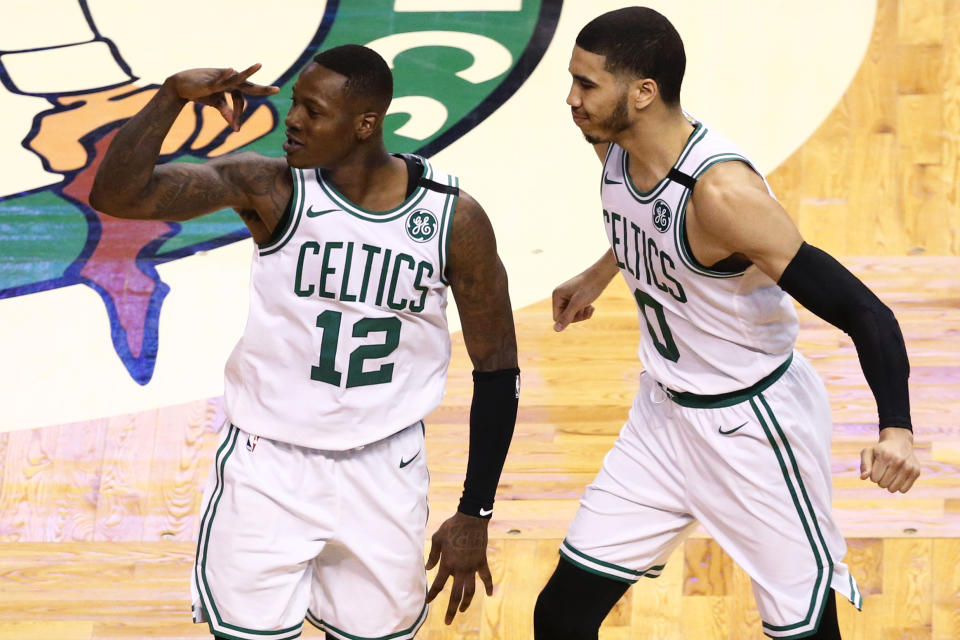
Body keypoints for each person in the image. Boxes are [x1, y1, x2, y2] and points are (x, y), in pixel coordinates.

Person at [90, 45, 520, 640]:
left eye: (313, 111)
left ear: (365, 124)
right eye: (295, 104)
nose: (291, 120)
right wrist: (170, 99)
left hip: (383, 468)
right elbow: (117, 196)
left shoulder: (453, 219)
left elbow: (498, 369)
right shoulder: (269, 189)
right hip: (268, 464)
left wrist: (476, 511)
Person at [533, 8, 920, 640]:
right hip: (660, 419)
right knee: (560, 616)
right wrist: (602, 271)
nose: (572, 99)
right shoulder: (617, 145)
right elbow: (643, 215)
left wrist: (897, 431)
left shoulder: (723, 197)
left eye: (586, 84)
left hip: (752, 429)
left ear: (643, 93)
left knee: (803, 631)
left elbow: (864, 312)